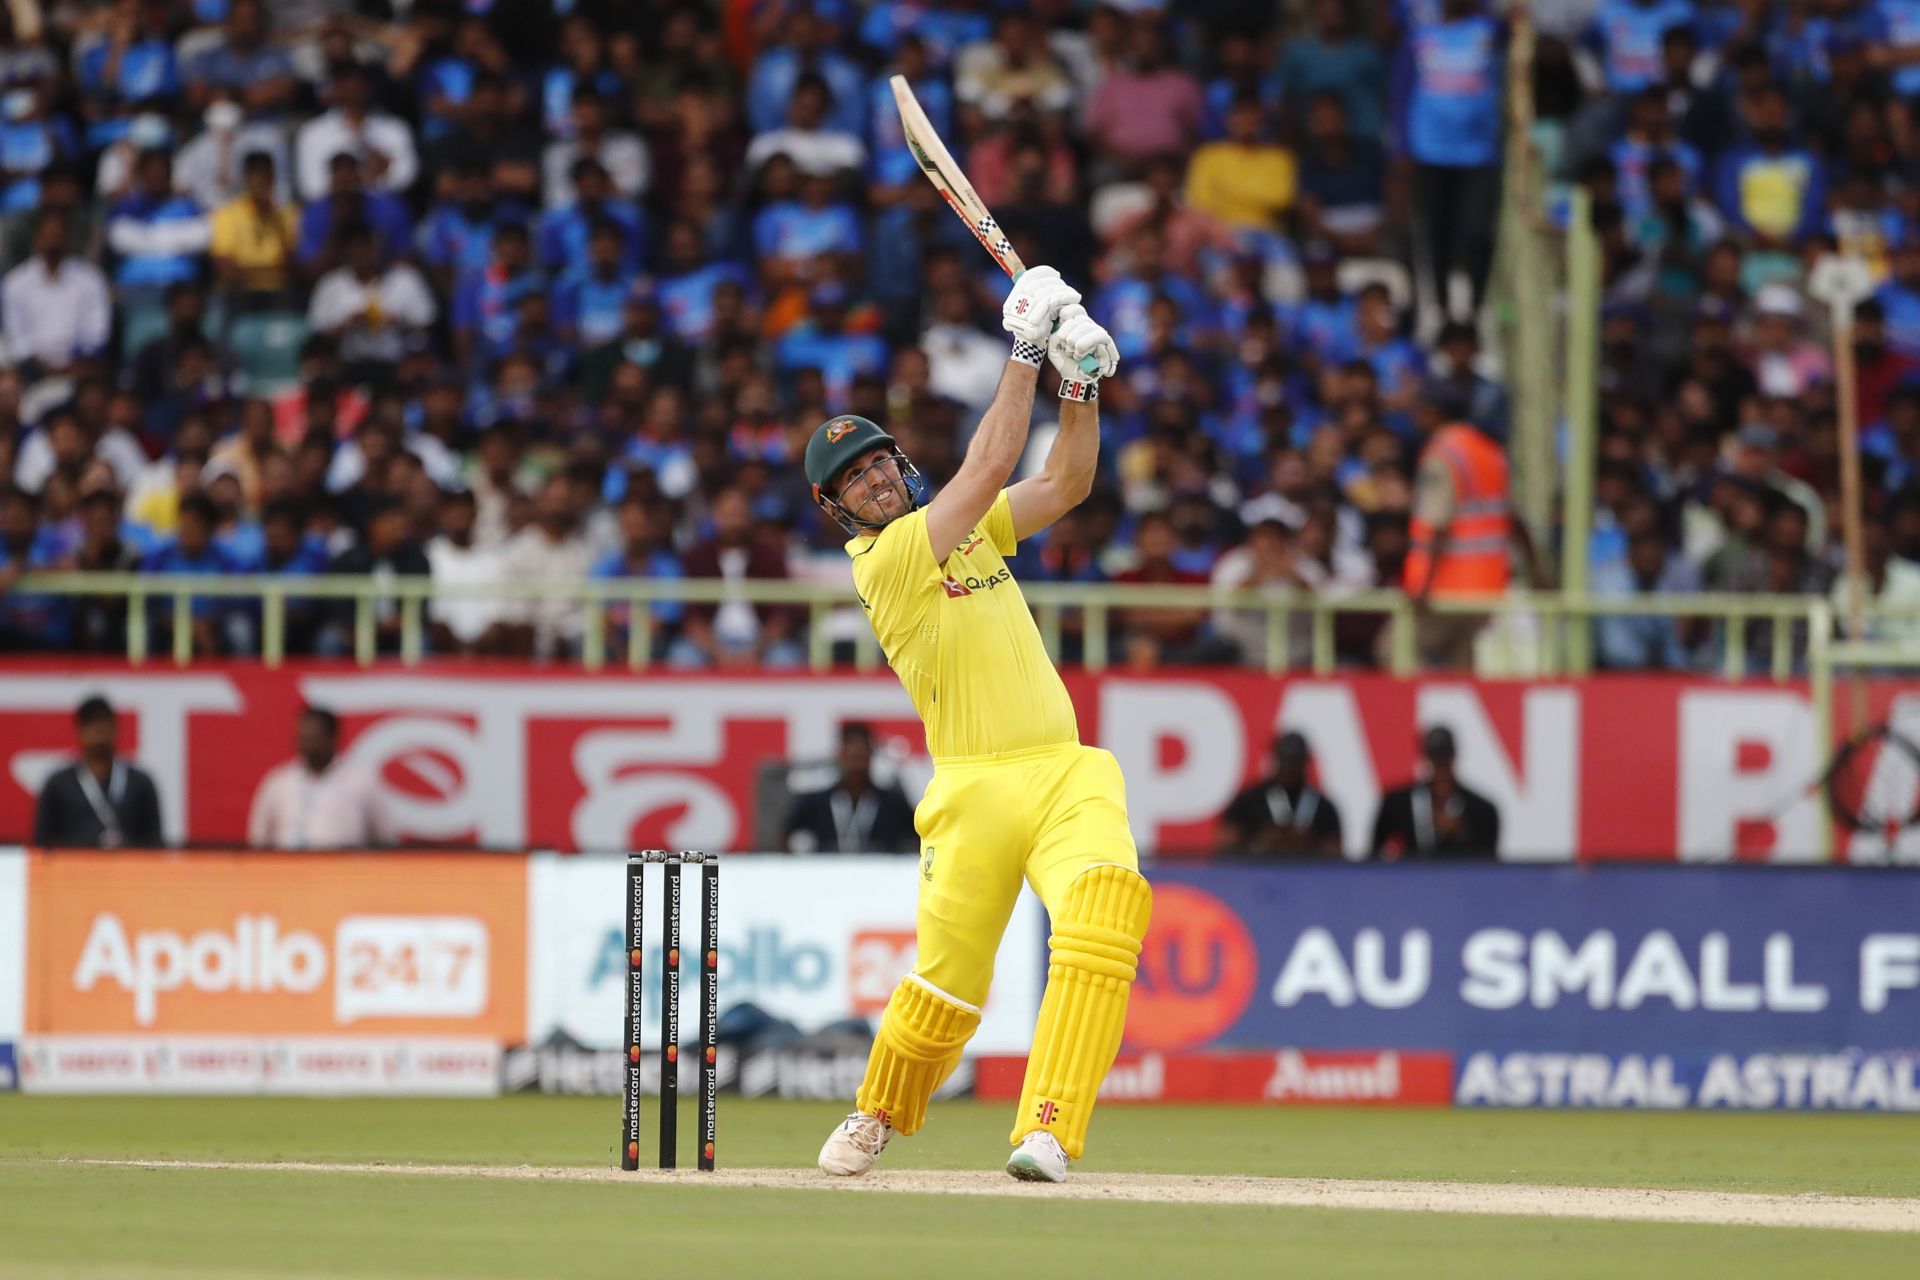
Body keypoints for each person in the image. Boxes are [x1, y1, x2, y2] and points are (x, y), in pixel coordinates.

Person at [806, 266, 1143, 1185]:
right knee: (950, 986)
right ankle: (877, 1112)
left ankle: (1046, 1129)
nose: (875, 478)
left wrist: (1079, 388)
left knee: (1105, 914)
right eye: (854, 478)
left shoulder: (972, 530)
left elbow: (1066, 482)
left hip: (1065, 771)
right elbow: (990, 462)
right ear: (835, 507)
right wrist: (1026, 349)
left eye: (879, 460)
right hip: (972, 788)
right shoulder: (887, 562)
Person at [1403, 405, 1541, 669]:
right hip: (1486, 588)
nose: (1416, 417)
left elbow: (1438, 524)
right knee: (1462, 666)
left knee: (1394, 649)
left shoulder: (1443, 455)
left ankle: (1417, 709)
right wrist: (1536, 571)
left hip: (1445, 588)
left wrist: (1424, 586)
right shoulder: (1492, 454)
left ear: (1436, 412)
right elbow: (1514, 520)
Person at [246, 706, 389, 849]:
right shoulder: (278, 782)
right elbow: (258, 837)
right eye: (302, 738)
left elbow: (384, 838)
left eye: (313, 738)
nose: (306, 745)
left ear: (332, 737)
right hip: (286, 867)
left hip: (342, 867)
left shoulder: (359, 782)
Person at [33, 695, 164, 848]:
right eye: (92, 723)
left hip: (128, 869)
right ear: (80, 730)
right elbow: (42, 845)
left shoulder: (140, 784)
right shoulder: (58, 785)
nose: (99, 730)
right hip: (73, 869)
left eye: (105, 722)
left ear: (116, 728)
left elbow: (154, 844)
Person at [785, 722, 919, 854]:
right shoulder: (817, 802)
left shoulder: (893, 803)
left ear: (871, 756)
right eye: (851, 758)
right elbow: (784, 835)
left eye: (860, 759)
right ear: (839, 757)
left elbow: (920, 836)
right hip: (827, 872)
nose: (856, 767)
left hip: (880, 872)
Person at [1370, 726, 1501, 860]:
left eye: (1445, 757)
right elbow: (1374, 855)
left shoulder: (1482, 809)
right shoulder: (1398, 803)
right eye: (1435, 757)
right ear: (1426, 757)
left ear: (1453, 755)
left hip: (1460, 877)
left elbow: (1489, 863)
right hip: (1413, 878)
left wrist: (1460, 833)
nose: (1440, 764)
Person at [1216, 731, 1344, 858]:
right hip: (1258, 873)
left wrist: (1307, 845)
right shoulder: (1249, 802)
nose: (1290, 767)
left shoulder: (1322, 807)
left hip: (1307, 874)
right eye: (1286, 760)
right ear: (1276, 759)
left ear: (1305, 762)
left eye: (1295, 761)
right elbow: (1225, 847)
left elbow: (1335, 855)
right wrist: (1260, 843)